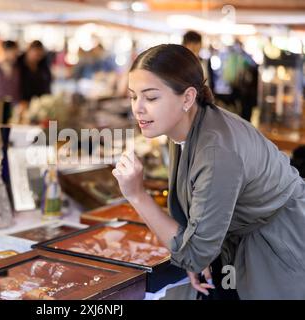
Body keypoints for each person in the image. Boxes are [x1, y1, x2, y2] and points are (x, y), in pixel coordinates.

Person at [113, 44, 305, 299]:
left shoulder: (216, 151)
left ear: (188, 98)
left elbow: (192, 255)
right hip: (238, 238)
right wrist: (198, 249)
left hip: (277, 243)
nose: (138, 108)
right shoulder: (184, 124)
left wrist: (137, 194)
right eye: (133, 96)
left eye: (151, 97)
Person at [16, 40, 52, 120]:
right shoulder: (18, 64)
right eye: (35, 54)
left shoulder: (43, 67)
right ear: (29, 51)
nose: (37, 57)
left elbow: (47, 84)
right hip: (20, 103)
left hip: (38, 104)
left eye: (39, 55)